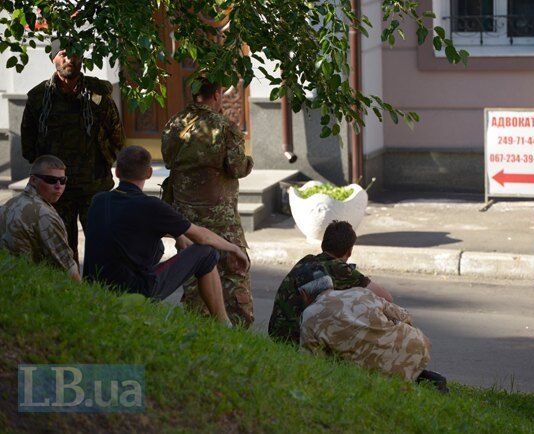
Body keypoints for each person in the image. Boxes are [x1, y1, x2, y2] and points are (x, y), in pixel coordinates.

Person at [83, 146, 249, 325]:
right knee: (207, 253)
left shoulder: (98, 200)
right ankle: (224, 324)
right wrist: (233, 247)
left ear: (116, 172)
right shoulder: (150, 206)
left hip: (96, 287)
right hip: (133, 291)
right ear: (149, 173)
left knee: (158, 246)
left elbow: (129, 224)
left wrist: (178, 234)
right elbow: (202, 237)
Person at [21, 38, 124, 264]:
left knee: (103, 249)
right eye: (63, 54)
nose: (69, 60)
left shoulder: (98, 95)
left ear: (82, 58)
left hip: (94, 187)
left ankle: (101, 296)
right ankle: (69, 295)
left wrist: (102, 163)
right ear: (53, 58)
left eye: (75, 54)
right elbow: (28, 146)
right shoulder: (39, 98)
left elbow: (117, 137)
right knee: (60, 253)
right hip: (56, 190)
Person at [161, 78, 254, 327]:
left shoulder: (174, 124)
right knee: (234, 271)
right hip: (220, 217)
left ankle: (197, 328)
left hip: (185, 216)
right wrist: (249, 163)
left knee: (193, 275)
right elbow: (236, 167)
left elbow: (168, 161)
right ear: (215, 94)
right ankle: (237, 331)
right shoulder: (224, 127)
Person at [298, 268, 447, 393]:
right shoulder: (359, 292)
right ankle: (423, 378)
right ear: (330, 285)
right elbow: (404, 315)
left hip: (376, 373)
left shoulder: (309, 316)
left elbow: (312, 362)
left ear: (304, 294)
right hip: (417, 346)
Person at [268, 220, 393, 344]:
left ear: (324, 244)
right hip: (297, 339)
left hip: (277, 334)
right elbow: (386, 298)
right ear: (349, 251)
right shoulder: (339, 269)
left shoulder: (306, 261)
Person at [0, 155, 79, 281]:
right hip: (30, 286)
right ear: (33, 180)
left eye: (63, 180)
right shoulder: (45, 215)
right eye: (51, 180)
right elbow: (69, 269)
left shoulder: (8, 204)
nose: (58, 186)